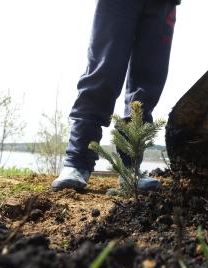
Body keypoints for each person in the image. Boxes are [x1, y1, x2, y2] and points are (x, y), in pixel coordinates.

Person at [52, 0, 180, 192]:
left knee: (146, 87)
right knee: (103, 71)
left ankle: (130, 169)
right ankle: (76, 163)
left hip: (163, 3)